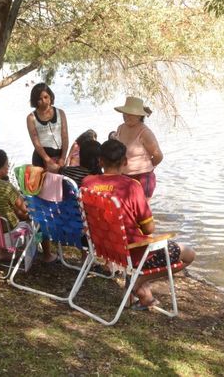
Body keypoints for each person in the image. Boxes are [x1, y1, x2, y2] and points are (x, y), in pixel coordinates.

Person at [82, 139, 194, 309]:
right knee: (189, 254)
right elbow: (149, 228)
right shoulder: (131, 186)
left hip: (104, 246)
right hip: (130, 251)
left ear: (100, 161)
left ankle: (143, 294)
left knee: (136, 243)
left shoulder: (88, 183)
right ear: (125, 162)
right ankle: (138, 281)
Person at [114, 96, 163, 200]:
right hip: (123, 176)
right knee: (125, 210)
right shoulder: (120, 128)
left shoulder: (145, 132)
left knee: (142, 212)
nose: (126, 116)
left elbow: (158, 156)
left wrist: (147, 167)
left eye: (130, 114)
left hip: (143, 177)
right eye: (125, 113)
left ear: (139, 116)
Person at [26, 83, 68, 172]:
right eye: (40, 99)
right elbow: (35, 142)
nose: (44, 101)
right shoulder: (31, 118)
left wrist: (63, 158)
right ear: (35, 100)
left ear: (50, 96)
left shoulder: (60, 113)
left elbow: (64, 136)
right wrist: (48, 161)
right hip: (41, 158)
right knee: (44, 185)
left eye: (46, 97)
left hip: (60, 157)